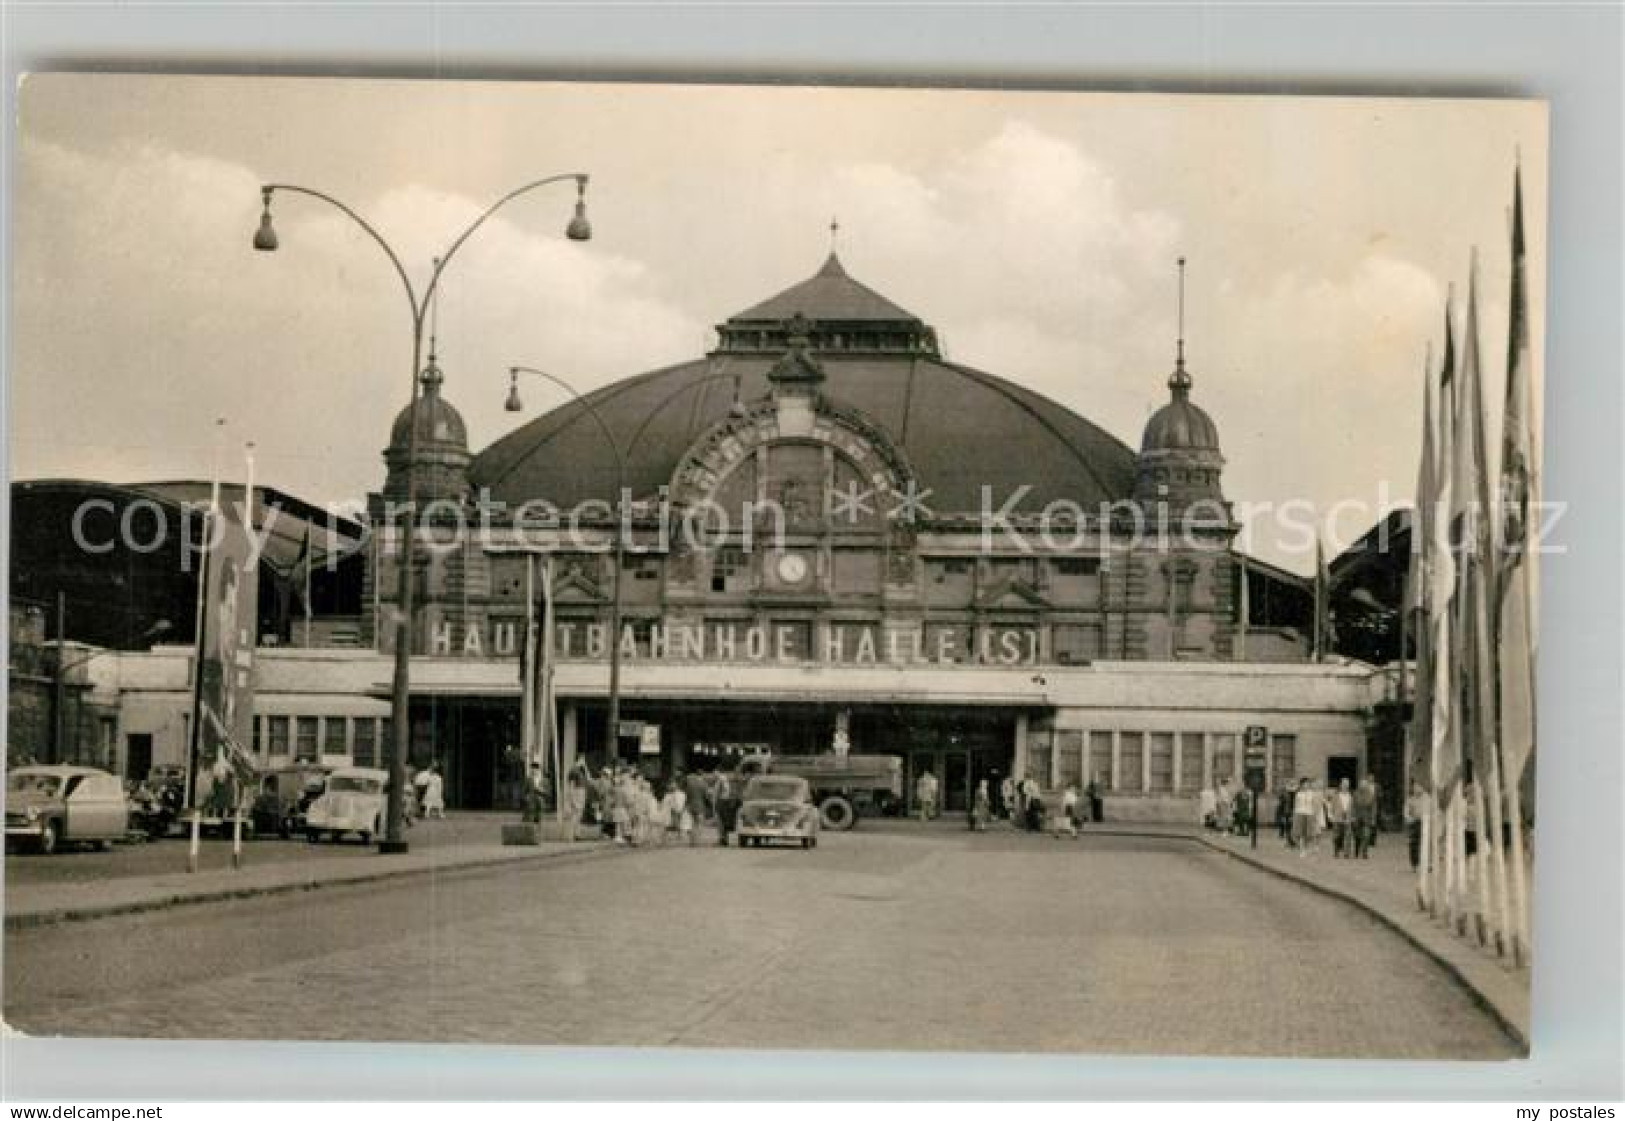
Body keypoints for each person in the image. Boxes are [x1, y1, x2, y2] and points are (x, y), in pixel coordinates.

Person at [1405, 779, 1429, 870]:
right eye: (1415, 786)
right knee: (1414, 844)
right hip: (1414, 823)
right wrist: (1409, 819)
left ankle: (1426, 863)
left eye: (1419, 786)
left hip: (1425, 823)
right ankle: (1414, 863)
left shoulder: (1427, 798)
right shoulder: (1410, 799)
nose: (1417, 788)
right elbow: (1406, 811)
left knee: (1425, 843)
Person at [1353, 775, 1379, 858]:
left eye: (1364, 785)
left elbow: (1373, 808)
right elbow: (1353, 806)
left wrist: (1373, 818)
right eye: (1361, 785)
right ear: (1359, 786)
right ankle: (1356, 851)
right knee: (1357, 836)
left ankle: (1364, 852)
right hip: (1357, 818)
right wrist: (1353, 816)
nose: (1363, 786)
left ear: (1367, 786)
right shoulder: (1356, 794)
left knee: (1366, 835)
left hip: (1367, 818)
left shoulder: (1371, 795)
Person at [1291, 778, 1317, 857]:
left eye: (1308, 784)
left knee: (1309, 834)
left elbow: (1314, 804)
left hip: (1309, 813)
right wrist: (1294, 815)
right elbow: (1296, 805)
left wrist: (1314, 814)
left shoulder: (1312, 793)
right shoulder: (1298, 794)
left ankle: (1306, 847)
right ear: (1302, 785)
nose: (1307, 785)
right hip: (1300, 813)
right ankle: (1302, 850)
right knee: (1301, 833)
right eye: (1305, 784)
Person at [1328, 778, 1353, 857]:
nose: (1345, 786)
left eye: (1347, 784)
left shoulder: (1350, 796)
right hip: (1337, 817)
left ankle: (1346, 853)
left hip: (1348, 818)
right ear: (1341, 785)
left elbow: (1353, 808)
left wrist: (1352, 817)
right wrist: (1331, 816)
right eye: (1344, 784)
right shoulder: (1336, 796)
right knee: (1337, 835)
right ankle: (1336, 851)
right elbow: (1331, 807)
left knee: (1348, 835)